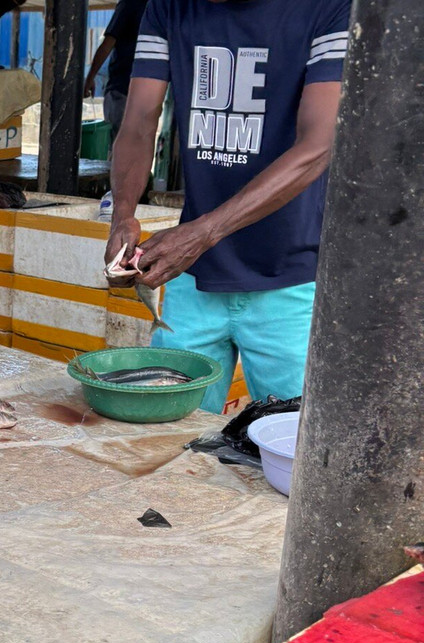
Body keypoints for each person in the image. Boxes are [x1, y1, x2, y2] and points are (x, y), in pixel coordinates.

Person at [106, 0, 350, 413]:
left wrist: (203, 233)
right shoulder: (168, 8)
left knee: (292, 442)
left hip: (291, 279)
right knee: (166, 440)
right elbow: (138, 122)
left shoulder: (330, 9)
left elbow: (318, 145)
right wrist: (123, 214)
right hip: (192, 280)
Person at [83, 0, 150, 149]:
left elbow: (108, 43)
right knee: (139, 149)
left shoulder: (130, 4)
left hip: (122, 88)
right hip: (149, 93)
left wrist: (90, 77)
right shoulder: (163, 7)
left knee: (118, 148)